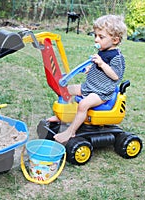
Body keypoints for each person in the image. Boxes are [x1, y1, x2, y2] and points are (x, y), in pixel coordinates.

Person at [49, 15, 127, 144]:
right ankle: (61, 116)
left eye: (101, 37)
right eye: (95, 35)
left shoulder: (116, 57)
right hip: (90, 86)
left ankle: (70, 132)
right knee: (64, 90)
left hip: (101, 92)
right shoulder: (103, 50)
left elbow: (115, 76)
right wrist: (92, 68)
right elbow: (99, 68)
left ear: (115, 40)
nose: (96, 39)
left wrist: (102, 64)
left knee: (83, 104)